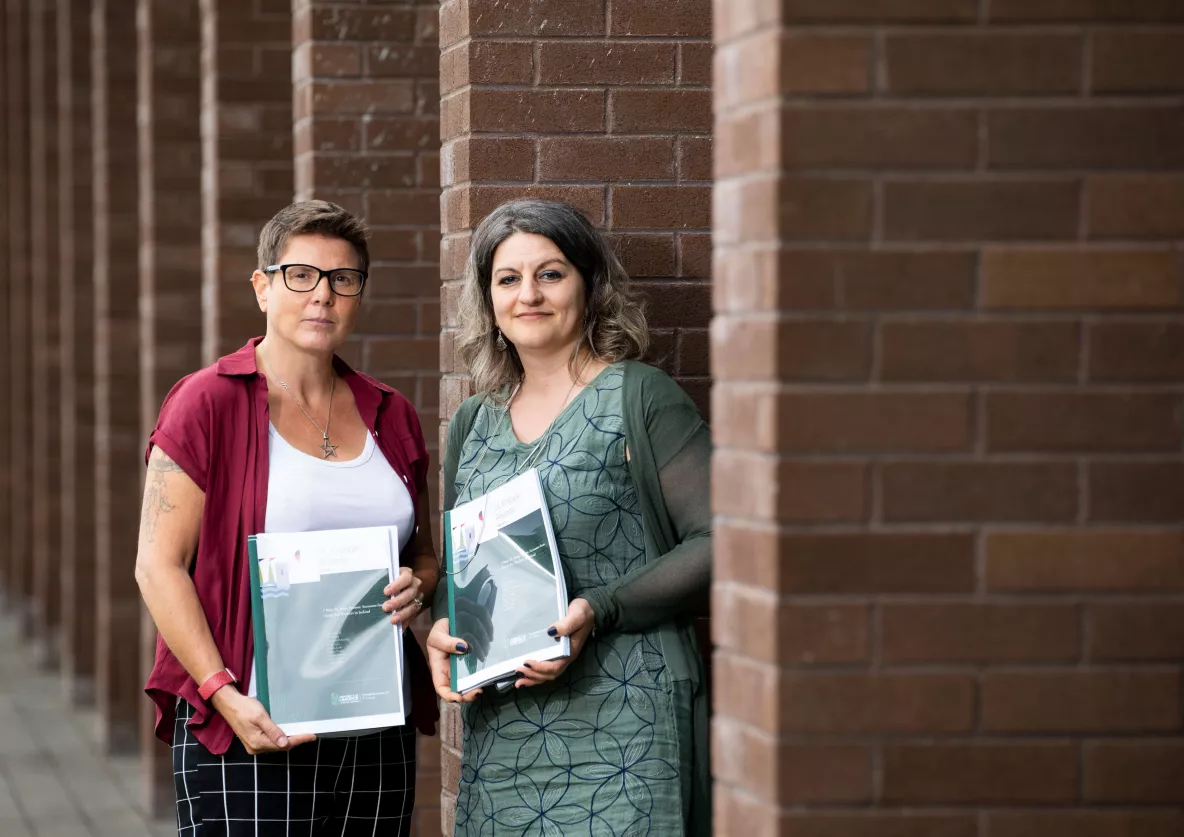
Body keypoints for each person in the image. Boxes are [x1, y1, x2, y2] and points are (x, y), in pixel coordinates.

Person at [135, 200, 439, 836]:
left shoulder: (392, 413)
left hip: (372, 721)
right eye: (301, 274)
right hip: (254, 717)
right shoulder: (206, 402)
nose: (322, 295)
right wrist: (222, 694)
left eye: (342, 279)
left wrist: (421, 585)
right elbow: (158, 567)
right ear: (263, 286)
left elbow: (423, 556)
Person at [427, 199, 712, 836]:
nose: (528, 294)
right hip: (506, 734)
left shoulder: (639, 395)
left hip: (626, 726)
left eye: (550, 274)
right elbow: (461, 572)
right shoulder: (476, 422)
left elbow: (723, 540)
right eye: (508, 279)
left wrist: (600, 607)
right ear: (489, 300)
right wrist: (443, 627)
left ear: (589, 286)